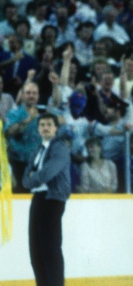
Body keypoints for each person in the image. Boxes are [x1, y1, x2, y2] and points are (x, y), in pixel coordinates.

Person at [22, 113, 71, 286]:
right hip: (38, 198)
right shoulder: (37, 150)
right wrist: (33, 178)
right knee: (35, 249)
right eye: (42, 124)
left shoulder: (60, 148)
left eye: (49, 124)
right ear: (38, 129)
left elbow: (49, 172)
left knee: (50, 247)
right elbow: (25, 180)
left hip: (53, 199)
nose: (45, 127)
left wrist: (33, 177)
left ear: (56, 128)